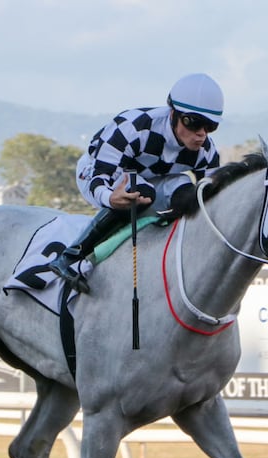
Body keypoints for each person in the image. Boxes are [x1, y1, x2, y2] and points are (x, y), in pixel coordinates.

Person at [47, 72, 224, 293]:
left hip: (153, 179)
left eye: (210, 127)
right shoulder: (132, 127)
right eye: (194, 123)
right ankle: (71, 256)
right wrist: (110, 198)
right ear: (173, 114)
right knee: (140, 191)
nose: (201, 134)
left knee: (189, 193)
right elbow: (98, 178)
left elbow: (212, 197)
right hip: (97, 173)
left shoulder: (206, 151)